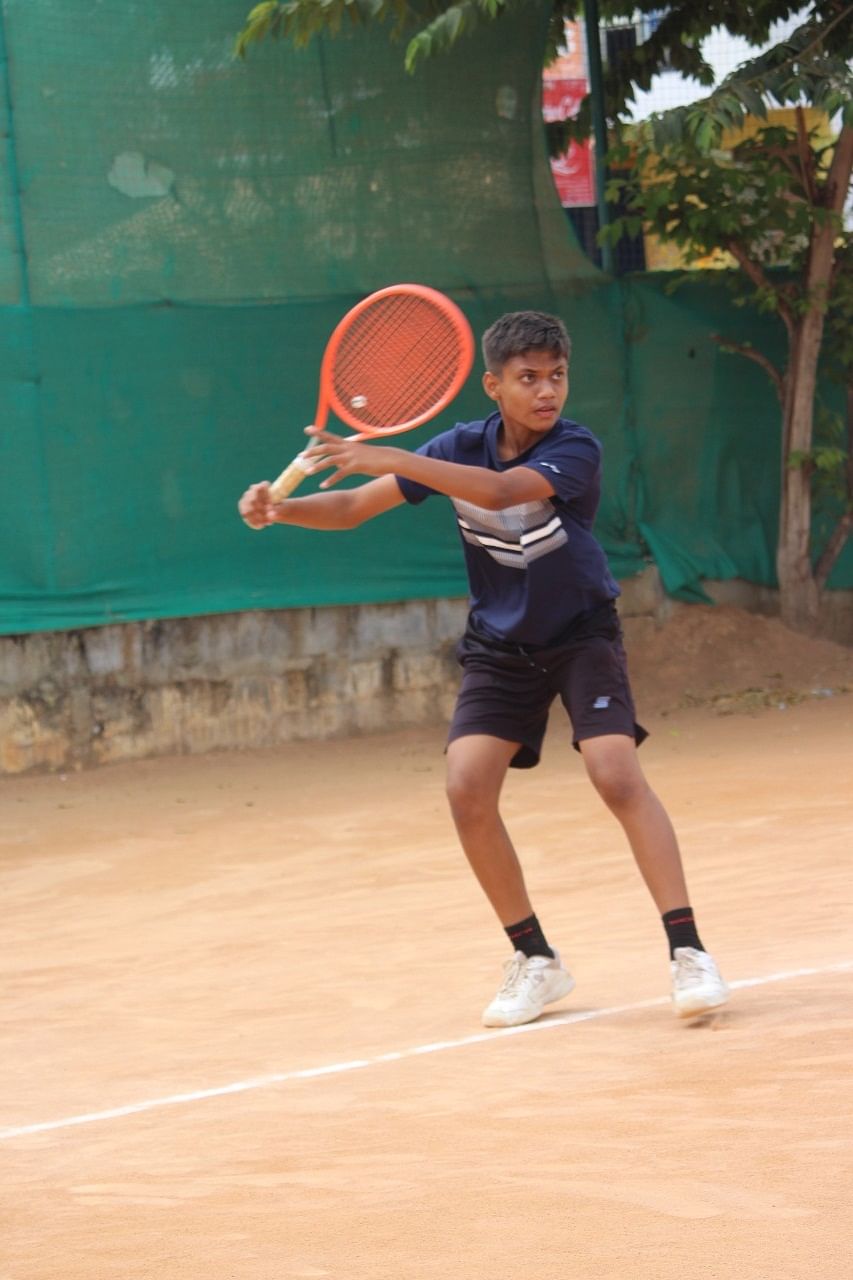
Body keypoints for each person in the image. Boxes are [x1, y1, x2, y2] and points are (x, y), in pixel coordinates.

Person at [238, 309, 729, 1027]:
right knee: (466, 788)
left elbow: (499, 493)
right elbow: (347, 508)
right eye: (527, 378)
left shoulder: (575, 447)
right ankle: (535, 960)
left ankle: (688, 952)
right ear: (492, 385)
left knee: (614, 773)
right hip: (500, 646)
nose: (546, 391)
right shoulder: (458, 445)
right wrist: (279, 511)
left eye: (556, 376)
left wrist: (396, 457)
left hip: (580, 634)